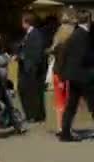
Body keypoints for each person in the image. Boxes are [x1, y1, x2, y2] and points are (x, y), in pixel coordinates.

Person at [59, 9, 94, 142]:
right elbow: (85, 56)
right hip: (84, 76)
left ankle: (65, 133)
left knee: (71, 106)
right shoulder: (84, 35)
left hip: (73, 75)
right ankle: (65, 133)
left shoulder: (74, 34)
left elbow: (66, 53)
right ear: (89, 20)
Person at [48, 8, 76, 136]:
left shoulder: (57, 44)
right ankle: (66, 127)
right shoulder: (68, 44)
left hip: (57, 74)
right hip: (66, 75)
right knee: (68, 102)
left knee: (60, 102)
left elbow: (52, 54)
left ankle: (61, 126)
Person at [18, 11, 47, 123]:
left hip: (31, 69)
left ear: (27, 22)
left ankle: (35, 115)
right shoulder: (28, 34)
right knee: (26, 91)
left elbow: (37, 52)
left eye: (22, 21)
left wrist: (25, 59)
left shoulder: (36, 34)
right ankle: (32, 114)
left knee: (32, 92)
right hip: (26, 68)